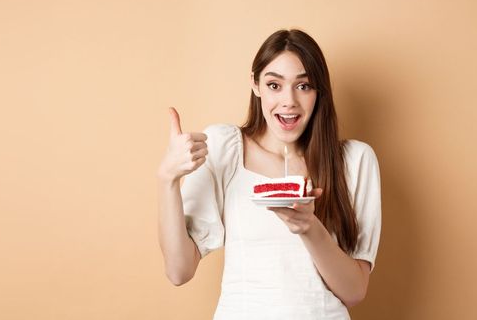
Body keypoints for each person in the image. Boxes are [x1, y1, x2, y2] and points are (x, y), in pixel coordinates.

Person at [157, 29, 382, 319]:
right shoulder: (225, 148)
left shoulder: (355, 161)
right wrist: (167, 179)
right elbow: (179, 270)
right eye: (275, 85)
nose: (289, 101)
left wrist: (309, 227)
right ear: (256, 85)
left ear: (319, 92)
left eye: (303, 86)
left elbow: (354, 292)